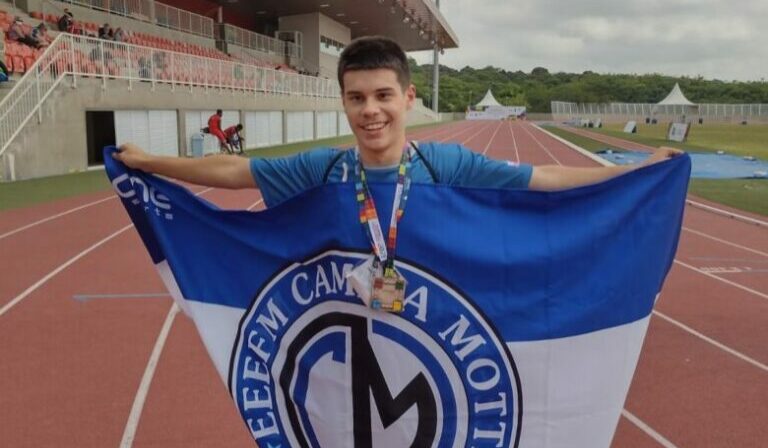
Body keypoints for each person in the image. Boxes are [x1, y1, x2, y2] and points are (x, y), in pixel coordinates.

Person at [113, 36, 682, 207]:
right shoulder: (325, 168)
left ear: (408, 98)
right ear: (343, 102)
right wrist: (151, 163)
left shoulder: (446, 164)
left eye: (383, 95)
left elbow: (545, 178)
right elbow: (236, 172)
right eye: (357, 98)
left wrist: (633, 171)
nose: (371, 110)